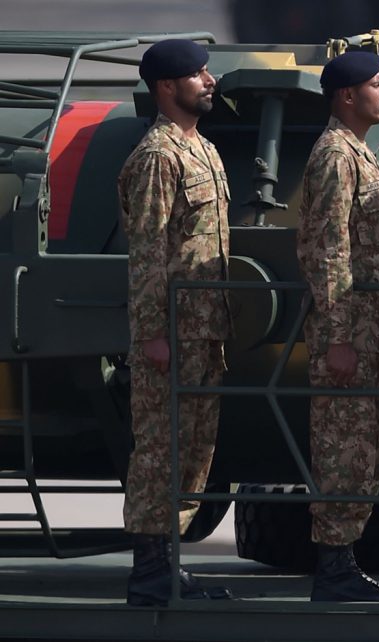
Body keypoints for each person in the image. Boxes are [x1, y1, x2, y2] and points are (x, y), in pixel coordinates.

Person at [117, 38, 233, 606]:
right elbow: (147, 253)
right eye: (197, 74)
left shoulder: (203, 150)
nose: (209, 81)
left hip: (207, 331)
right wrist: (154, 332)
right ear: (167, 87)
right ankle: (149, 569)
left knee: (194, 450)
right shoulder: (157, 157)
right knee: (161, 448)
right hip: (172, 331)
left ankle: (169, 563)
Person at [296, 50, 379, 603]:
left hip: (371, 334)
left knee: (369, 449)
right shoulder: (336, 156)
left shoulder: (358, 154)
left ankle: (344, 563)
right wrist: (338, 334)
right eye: (377, 85)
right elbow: (327, 250)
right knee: (344, 449)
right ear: (346, 96)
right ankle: (334, 568)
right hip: (351, 336)